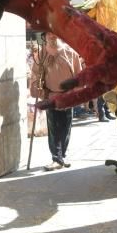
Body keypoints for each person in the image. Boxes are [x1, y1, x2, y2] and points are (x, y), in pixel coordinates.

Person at [29, 33, 82, 171]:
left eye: (54, 35)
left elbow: (79, 77)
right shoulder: (41, 55)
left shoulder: (71, 53)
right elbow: (35, 75)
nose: (52, 37)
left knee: (66, 127)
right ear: (45, 37)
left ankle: (62, 155)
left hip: (68, 97)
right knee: (54, 128)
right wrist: (40, 91)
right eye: (49, 35)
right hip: (50, 96)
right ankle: (56, 158)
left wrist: (76, 93)